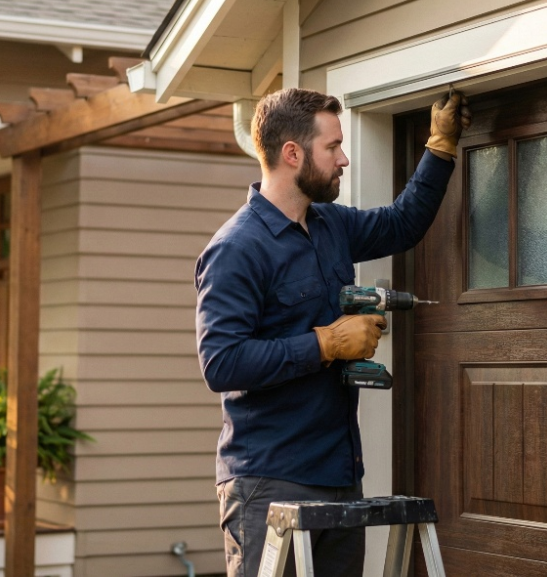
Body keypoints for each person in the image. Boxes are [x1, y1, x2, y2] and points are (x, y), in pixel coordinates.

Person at [195, 87, 470, 576]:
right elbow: (222, 363)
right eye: (332, 147)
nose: (344, 159)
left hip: (339, 474)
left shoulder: (329, 226)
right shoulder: (237, 248)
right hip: (269, 482)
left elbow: (401, 225)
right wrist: (324, 344)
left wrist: (440, 147)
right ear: (292, 154)